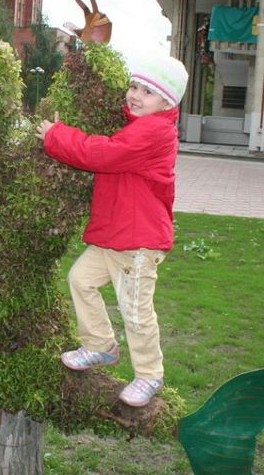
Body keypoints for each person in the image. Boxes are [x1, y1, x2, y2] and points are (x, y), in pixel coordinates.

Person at [36, 54, 188, 408]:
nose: (135, 95)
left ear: (167, 102)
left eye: (147, 92)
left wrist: (57, 135)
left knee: (135, 310)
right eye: (134, 87)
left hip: (137, 241)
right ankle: (100, 345)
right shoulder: (138, 125)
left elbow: (103, 154)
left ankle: (149, 374)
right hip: (116, 235)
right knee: (80, 280)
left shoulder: (155, 131)